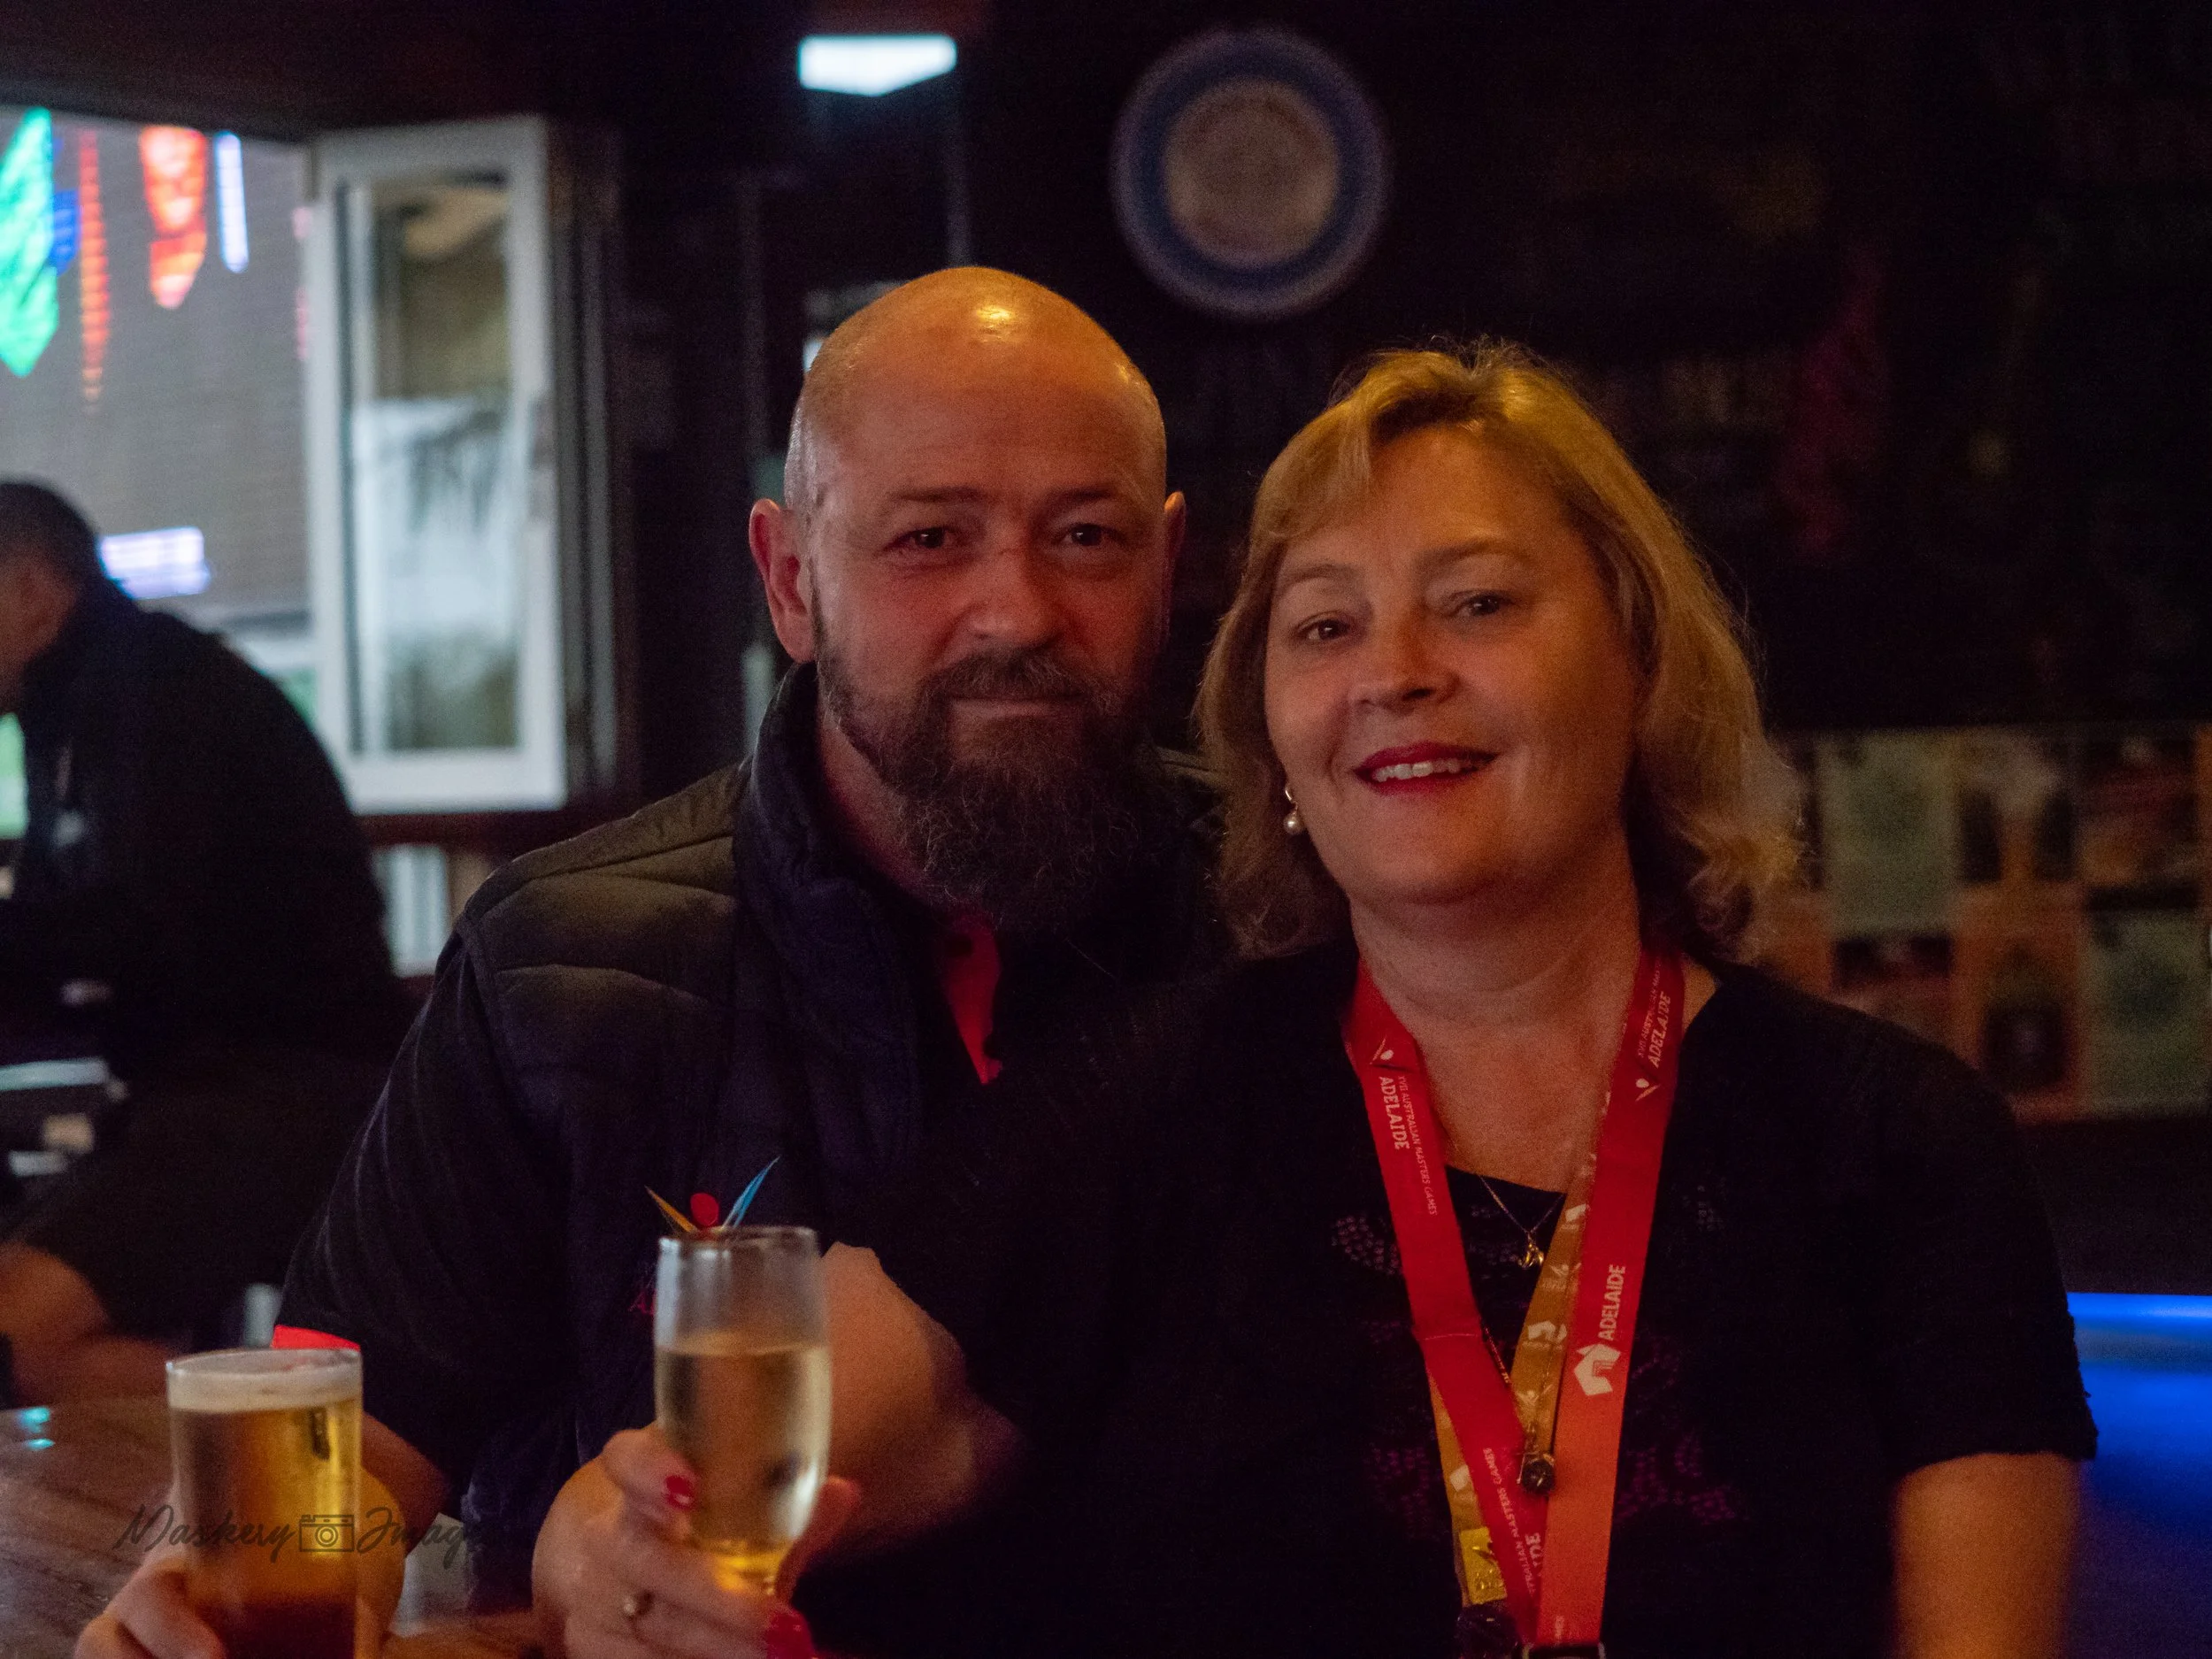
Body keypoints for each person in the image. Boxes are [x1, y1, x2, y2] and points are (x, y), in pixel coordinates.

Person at [705, 344, 2095, 1657]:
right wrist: (619, 1533)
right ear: (1278, 738)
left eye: (1479, 602)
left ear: (1640, 659)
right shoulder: (1151, 1104)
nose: (1396, 672)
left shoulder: (1901, 1144)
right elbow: (718, 1467)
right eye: (1326, 624)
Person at [79, 267, 1210, 1659]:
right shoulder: (566, 958)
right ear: (792, 579)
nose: (1017, 609)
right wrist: (207, 1582)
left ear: (1163, 566)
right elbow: (355, 1450)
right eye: (930, 538)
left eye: (1083, 535)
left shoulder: (1294, 919)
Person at [0, 482, 404, 1405]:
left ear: (30, 589)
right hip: (203, 1098)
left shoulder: (157, 695)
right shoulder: (77, 703)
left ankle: (378, 1437)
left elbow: (131, 924)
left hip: (298, 1097)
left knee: (12, 1336)